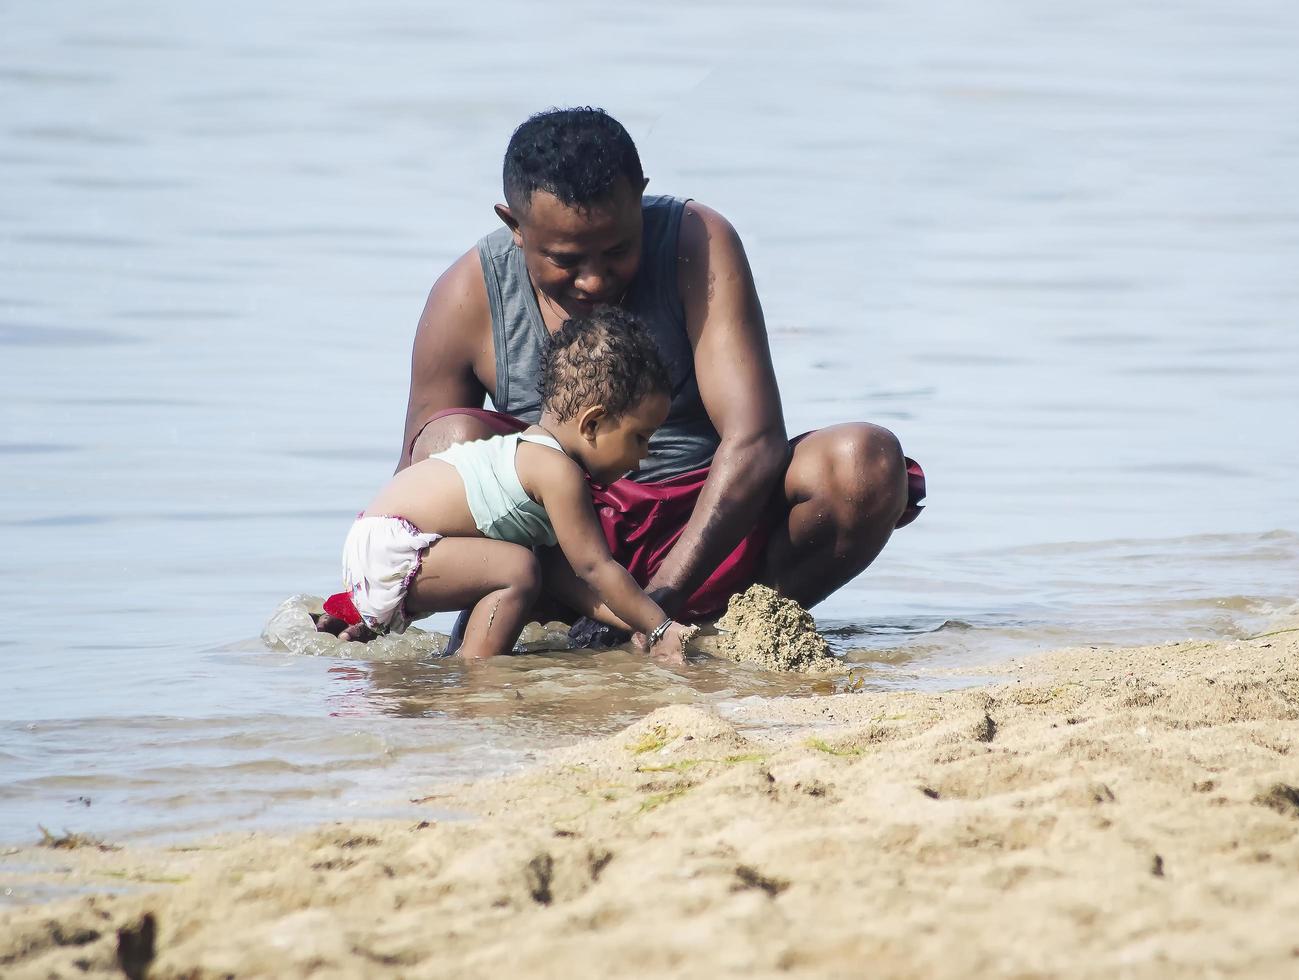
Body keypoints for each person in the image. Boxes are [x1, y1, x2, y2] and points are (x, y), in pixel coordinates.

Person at [320, 106, 925, 646]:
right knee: (448, 440)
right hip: (565, 549)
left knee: (864, 462)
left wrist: (659, 604)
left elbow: (754, 439)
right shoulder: (467, 296)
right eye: (563, 259)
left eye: (615, 250)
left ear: (640, 198)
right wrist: (366, 601)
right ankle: (557, 633)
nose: (593, 280)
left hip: (710, 527)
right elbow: (414, 487)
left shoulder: (697, 242)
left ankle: (736, 630)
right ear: (515, 225)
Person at [324, 309, 696, 663]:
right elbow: (596, 568)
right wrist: (660, 626)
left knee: (525, 565)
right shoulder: (557, 472)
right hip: (397, 545)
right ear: (592, 424)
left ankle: (385, 631)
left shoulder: (527, 456)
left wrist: (636, 624)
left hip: (378, 543)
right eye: (640, 438)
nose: (643, 456)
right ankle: (480, 674)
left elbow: (562, 577)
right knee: (518, 568)